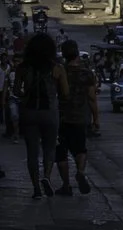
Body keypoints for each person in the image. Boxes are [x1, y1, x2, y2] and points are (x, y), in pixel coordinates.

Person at [17, 32, 62, 197]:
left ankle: (36, 188)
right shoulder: (56, 68)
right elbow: (64, 92)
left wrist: (25, 95)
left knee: (32, 151)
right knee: (50, 148)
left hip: (29, 112)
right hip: (49, 111)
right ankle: (47, 177)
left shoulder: (22, 67)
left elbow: (16, 90)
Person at [54, 41, 97, 195]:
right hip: (80, 117)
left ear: (64, 55)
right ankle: (80, 171)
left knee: (61, 152)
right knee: (81, 149)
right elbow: (92, 98)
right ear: (77, 54)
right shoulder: (86, 73)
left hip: (61, 117)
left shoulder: (59, 71)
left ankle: (66, 186)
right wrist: (96, 119)